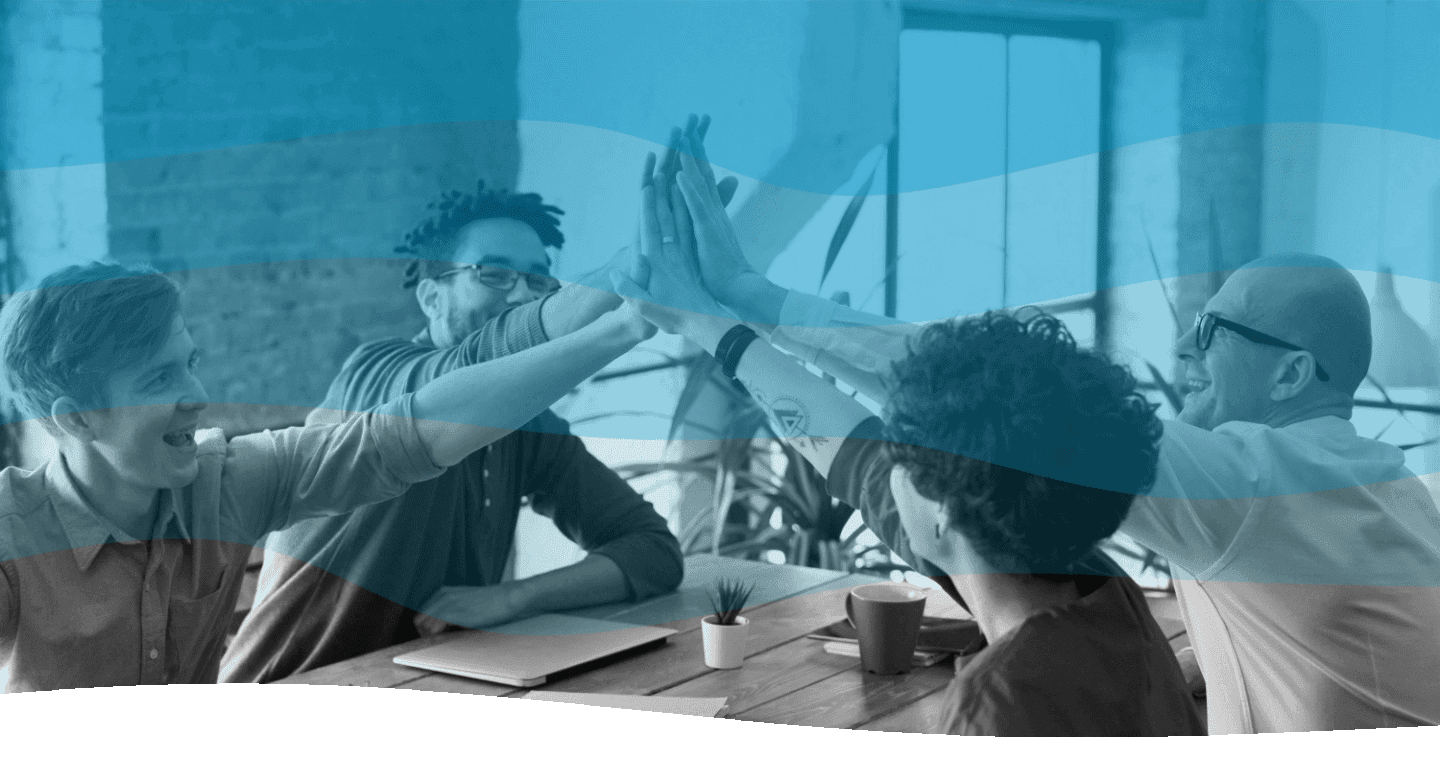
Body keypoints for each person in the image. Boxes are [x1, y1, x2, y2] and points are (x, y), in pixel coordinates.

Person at [665, 120, 1440, 733]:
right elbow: (941, 428)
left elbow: (979, 393)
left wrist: (746, 296)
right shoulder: (1367, 487)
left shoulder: (1263, 487)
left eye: (1213, 330)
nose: (1184, 344)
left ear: (1292, 374)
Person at [611, 129, 1203, 736]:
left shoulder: (998, 707)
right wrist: (721, 315)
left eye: (901, 451)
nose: (884, 455)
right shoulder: (1094, 585)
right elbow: (857, 461)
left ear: (943, 511)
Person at [0, 261, 655, 692]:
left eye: (190, 364)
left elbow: (406, 437)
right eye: (158, 379)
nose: (197, 396)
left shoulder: (221, 484)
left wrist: (626, 326)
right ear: (76, 419)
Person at [219, 176, 706, 683]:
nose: (522, 294)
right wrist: (626, 283)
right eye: (493, 274)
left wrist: (513, 597)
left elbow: (651, 551)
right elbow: (479, 361)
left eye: (539, 280)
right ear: (431, 298)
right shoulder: (375, 377)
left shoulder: (530, 426)